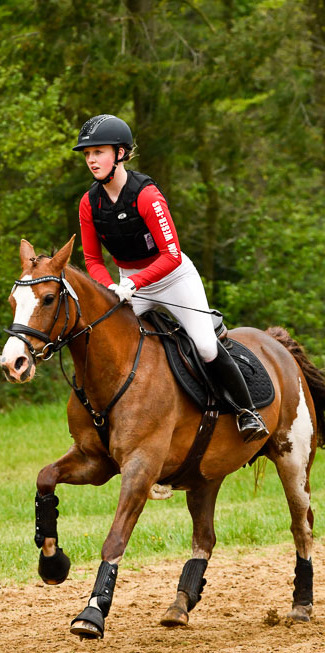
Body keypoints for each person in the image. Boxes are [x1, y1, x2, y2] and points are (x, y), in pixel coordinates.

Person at [73, 114, 269, 443]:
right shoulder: (89, 203)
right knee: (101, 341)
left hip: (172, 277)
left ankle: (246, 412)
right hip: (126, 284)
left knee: (206, 346)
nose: (91, 160)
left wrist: (135, 283)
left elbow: (172, 255)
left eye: (99, 152)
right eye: (88, 154)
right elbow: (92, 259)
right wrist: (109, 287)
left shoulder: (146, 195)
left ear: (120, 153)